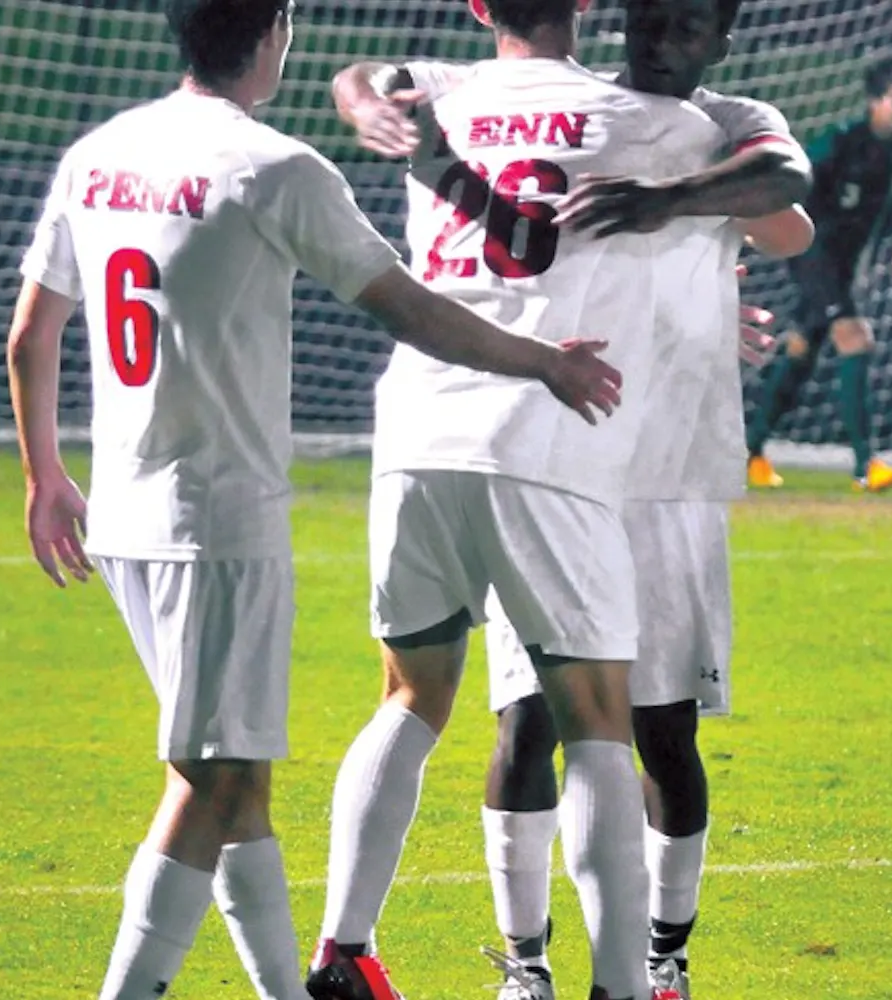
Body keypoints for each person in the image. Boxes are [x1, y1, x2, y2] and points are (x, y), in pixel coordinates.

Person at [4, 2, 621, 1000]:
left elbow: (31, 331)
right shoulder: (275, 167)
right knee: (206, 785)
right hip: (219, 527)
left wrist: (45, 476)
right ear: (274, 30)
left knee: (239, 780)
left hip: (122, 512)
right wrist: (540, 360)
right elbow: (413, 309)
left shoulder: (101, 151)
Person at [309, 3, 807, 999]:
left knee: (420, 698)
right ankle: (598, 975)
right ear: (598, 8)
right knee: (586, 725)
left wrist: (371, 110)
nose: (665, 34)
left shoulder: (450, 95)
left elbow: (365, 80)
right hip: (559, 446)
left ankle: (344, 948)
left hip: (427, 429)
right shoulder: (652, 124)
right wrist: (680, 222)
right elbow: (779, 191)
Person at [744, 54, 892, 493]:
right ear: (874, 102)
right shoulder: (843, 142)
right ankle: (866, 465)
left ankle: (750, 449)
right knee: (855, 338)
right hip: (815, 253)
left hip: (847, 265)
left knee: (801, 351)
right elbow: (795, 183)